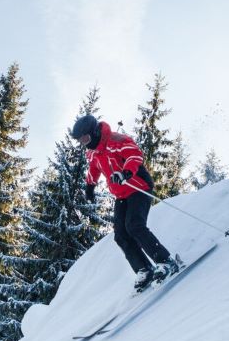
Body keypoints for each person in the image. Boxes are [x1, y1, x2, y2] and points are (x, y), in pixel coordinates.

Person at [72, 113, 181, 292]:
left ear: (94, 132)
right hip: (121, 194)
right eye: (81, 141)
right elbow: (93, 169)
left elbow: (134, 155)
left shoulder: (116, 140)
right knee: (120, 234)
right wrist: (90, 186)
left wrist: (126, 172)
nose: (84, 143)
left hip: (138, 186)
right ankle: (144, 269)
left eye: (85, 139)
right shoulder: (93, 153)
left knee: (135, 226)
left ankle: (166, 261)